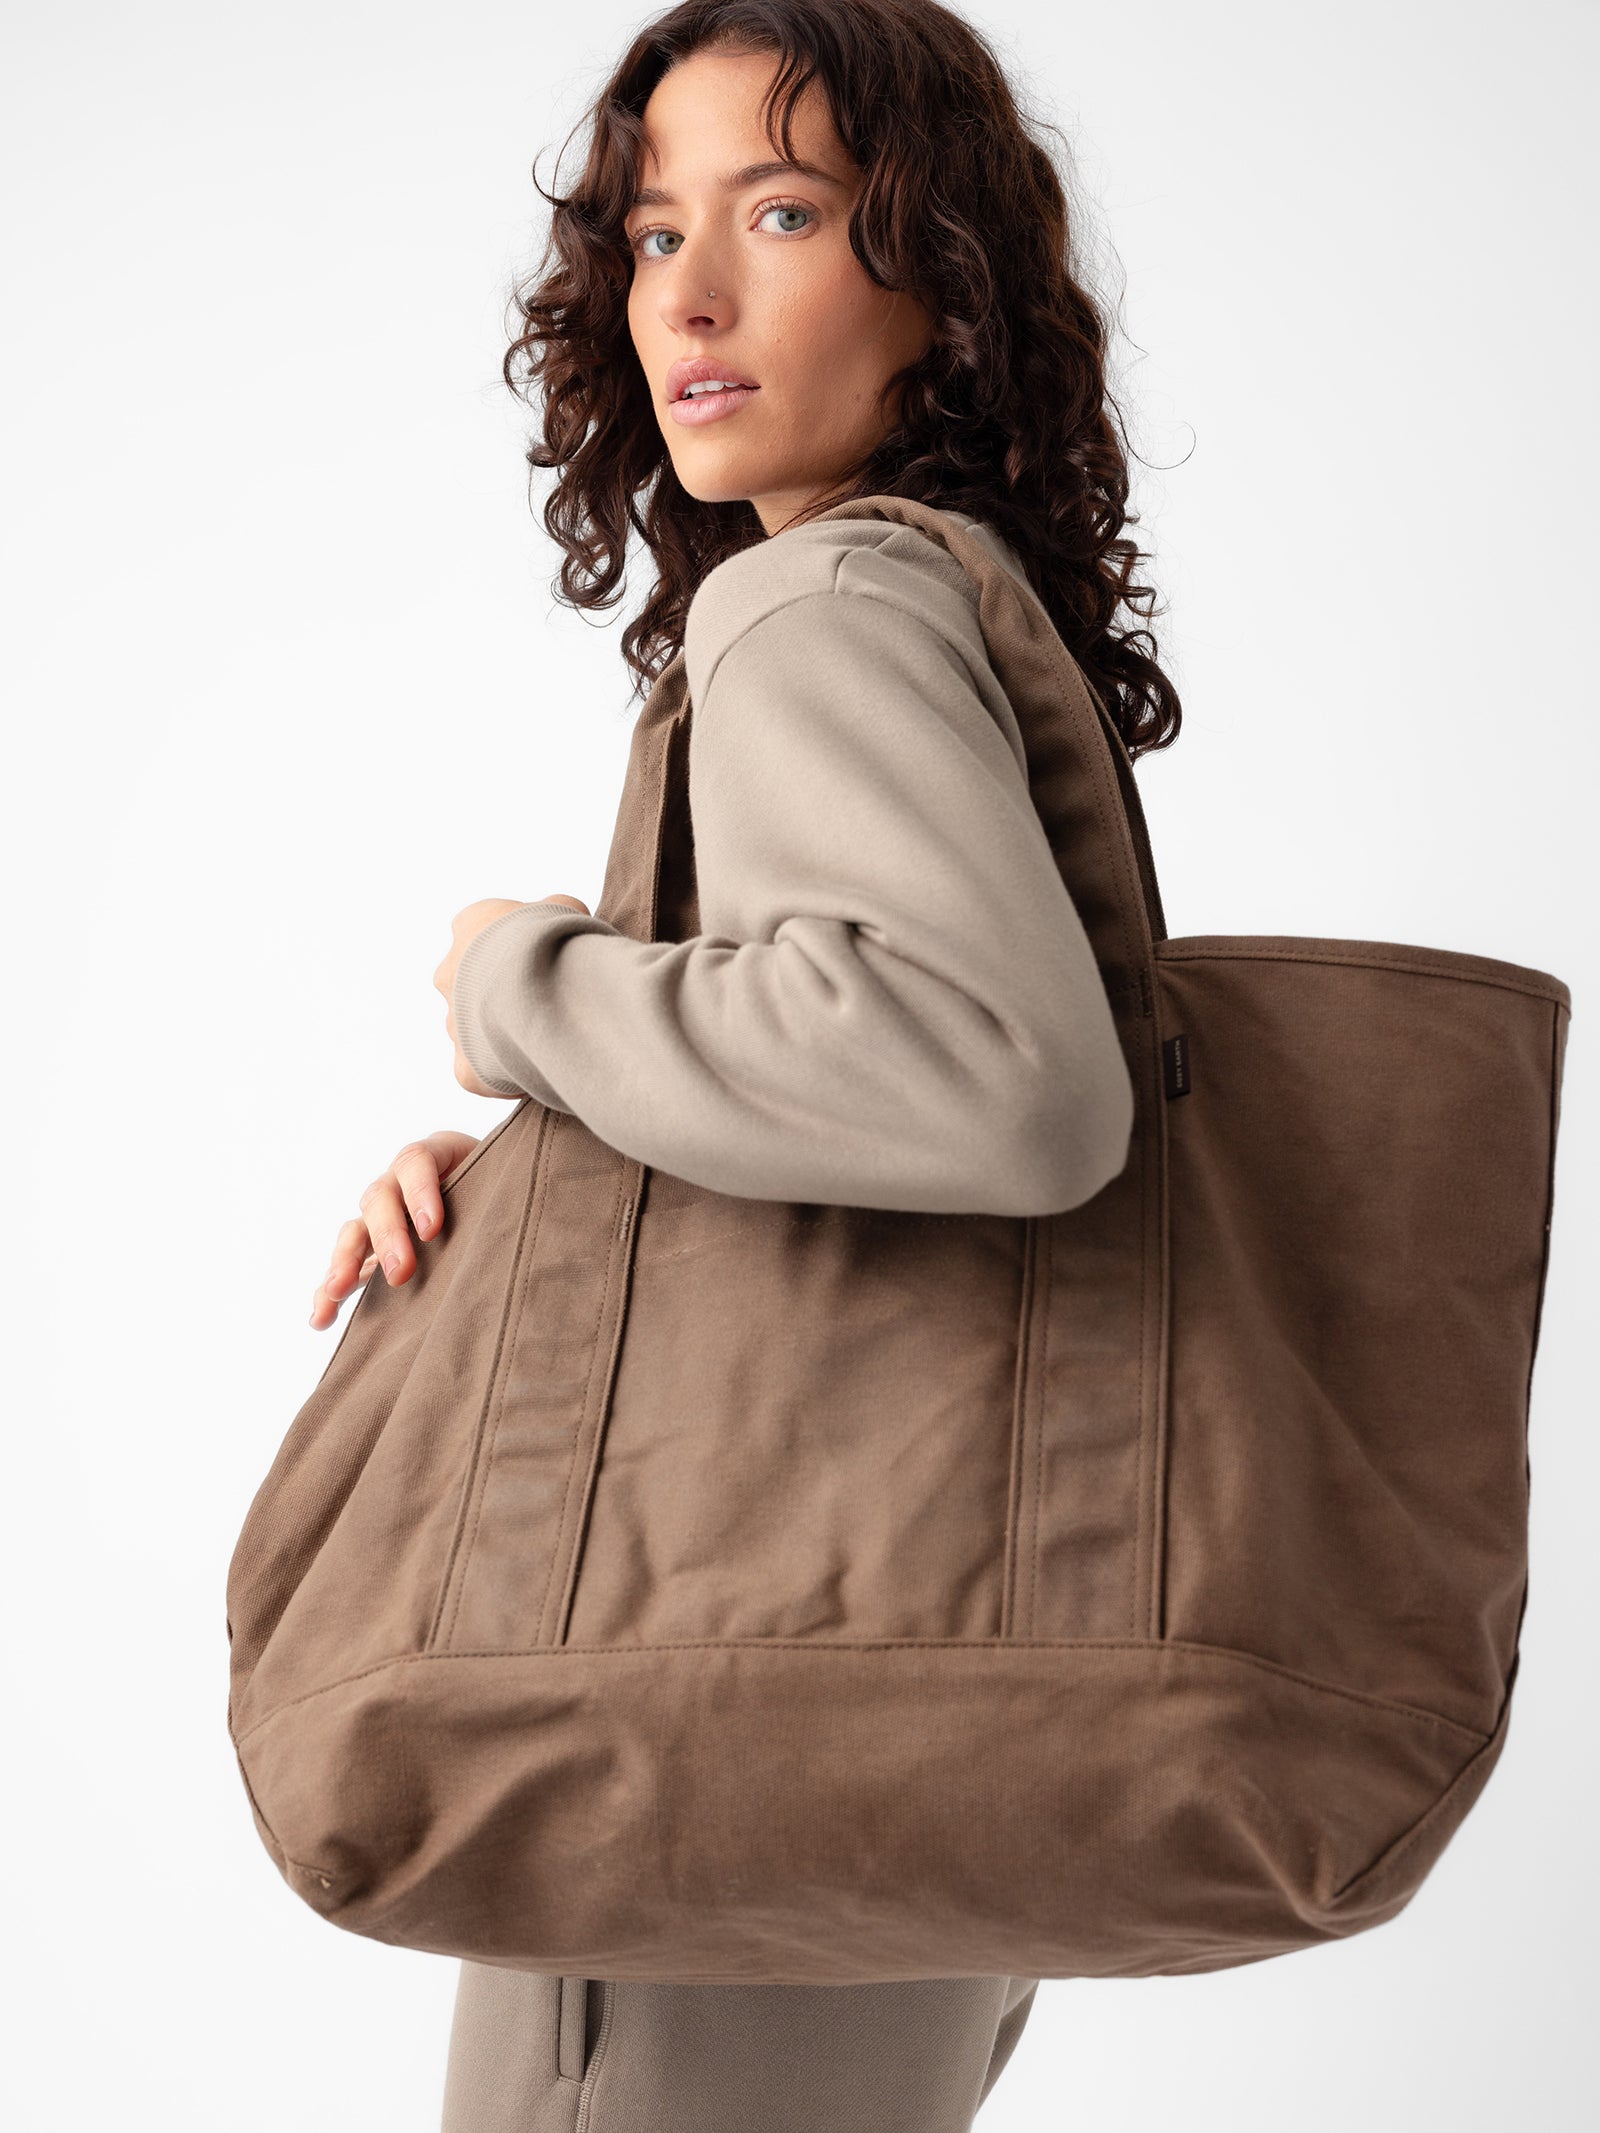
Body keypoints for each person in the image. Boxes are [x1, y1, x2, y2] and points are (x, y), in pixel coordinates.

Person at [306, 2, 1183, 2125]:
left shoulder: (809, 611)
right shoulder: (947, 605)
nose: (682, 295)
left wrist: (528, 981)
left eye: (779, 213)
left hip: (726, 1701)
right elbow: (877, 1093)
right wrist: (532, 1174)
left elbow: (998, 1082)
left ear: (933, 277)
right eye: (644, 231)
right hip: (906, 1704)